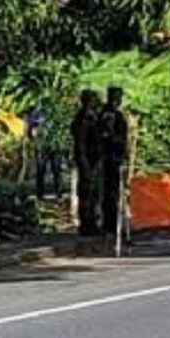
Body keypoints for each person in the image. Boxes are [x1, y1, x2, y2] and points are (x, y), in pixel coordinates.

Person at [96, 86, 130, 242]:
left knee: (113, 193)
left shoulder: (115, 114)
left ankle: (112, 224)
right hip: (109, 158)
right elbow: (106, 136)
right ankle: (109, 225)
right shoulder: (107, 115)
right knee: (109, 193)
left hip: (114, 158)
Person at [70, 89, 103, 236]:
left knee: (94, 193)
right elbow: (80, 142)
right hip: (87, 159)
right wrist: (84, 162)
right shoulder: (83, 118)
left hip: (94, 159)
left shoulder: (92, 117)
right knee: (87, 192)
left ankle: (92, 222)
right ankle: (86, 223)